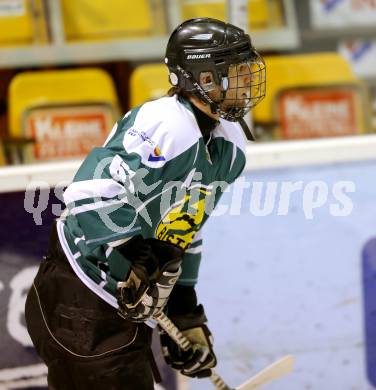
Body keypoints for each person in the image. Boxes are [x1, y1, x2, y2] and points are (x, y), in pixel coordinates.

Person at [25, 17, 266, 390]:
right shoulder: (165, 123)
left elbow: (185, 229)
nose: (248, 81)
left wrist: (183, 309)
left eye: (248, 70)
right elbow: (88, 194)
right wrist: (133, 257)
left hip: (120, 305)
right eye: (237, 73)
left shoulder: (230, 145)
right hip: (79, 298)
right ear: (202, 79)